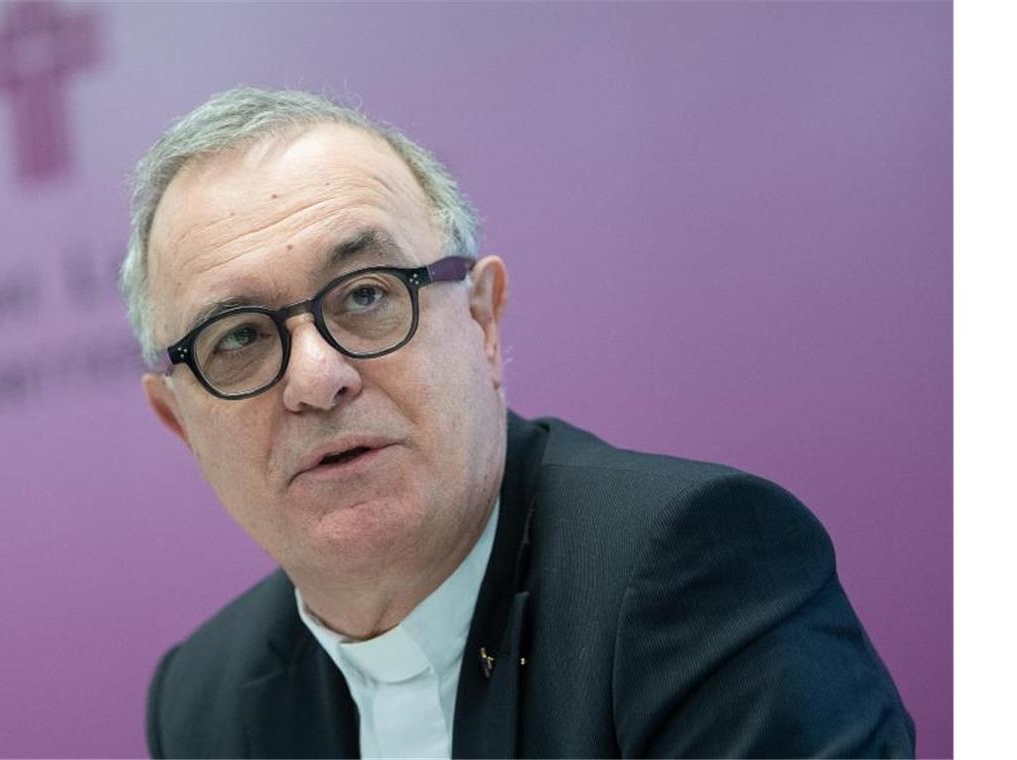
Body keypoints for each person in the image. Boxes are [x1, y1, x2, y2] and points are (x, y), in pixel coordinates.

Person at [121, 87, 914, 758]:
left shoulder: (697, 574)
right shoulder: (203, 702)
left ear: (484, 321)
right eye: (241, 339)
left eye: (366, 294)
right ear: (180, 422)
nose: (318, 378)